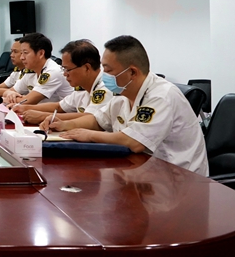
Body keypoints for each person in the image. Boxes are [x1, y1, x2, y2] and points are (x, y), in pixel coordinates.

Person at [42, 35, 208, 176]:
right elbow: (98, 120)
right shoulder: (123, 93)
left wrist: (89, 135)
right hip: (143, 171)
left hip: (179, 180)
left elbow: (134, 142)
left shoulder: (161, 96)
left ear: (132, 72)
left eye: (108, 71)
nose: (104, 76)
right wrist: (64, 125)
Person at [14, 39, 112, 124]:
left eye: (68, 69)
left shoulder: (104, 88)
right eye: (63, 69)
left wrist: (44, 116)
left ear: (86, 68)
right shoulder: (83, 87)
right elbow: (60, 106)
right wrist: (24, 108)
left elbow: (90, 118)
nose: (65, 74)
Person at [3, 33, 72, 105]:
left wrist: (8, 98)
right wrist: (10, 93)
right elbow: (10, 91)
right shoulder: (31, 71)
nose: (22, 57)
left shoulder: (52, 72)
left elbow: (27, 101)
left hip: (61, 111)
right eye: (21, 53)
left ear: (41, 53)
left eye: (25, 53)